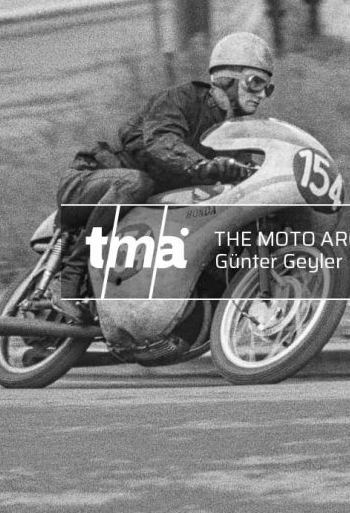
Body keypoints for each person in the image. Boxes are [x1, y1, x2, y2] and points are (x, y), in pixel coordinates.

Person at [51, 33, 273, 322]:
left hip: (137, 206)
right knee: (135, 182)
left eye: (268, 88)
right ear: (226, 77)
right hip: (89, 179)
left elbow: (243, 180)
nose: (260, 94)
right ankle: (70, 276)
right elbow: (161, 140)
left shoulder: (235, 136)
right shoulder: (183, 99)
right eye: (256, 82)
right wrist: (203, 166)